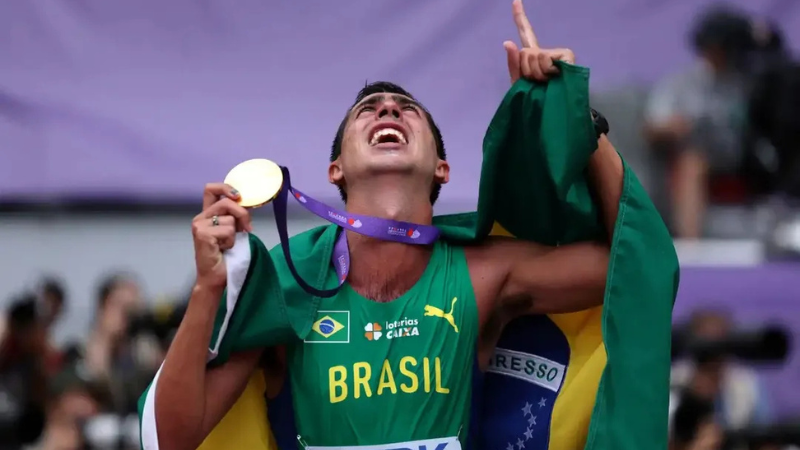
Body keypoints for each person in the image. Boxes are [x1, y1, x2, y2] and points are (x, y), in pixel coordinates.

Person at [151, 2, 624, 449]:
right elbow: (170, 438)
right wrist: (208, 289)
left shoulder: (484, 274)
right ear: (336, 169)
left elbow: (630, 266)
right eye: (368, 109)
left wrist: (577, 117)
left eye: (407, 109)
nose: (388, 109)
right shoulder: (287, 284)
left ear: (442, 168)